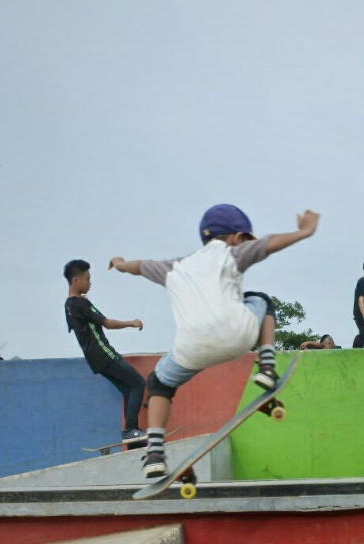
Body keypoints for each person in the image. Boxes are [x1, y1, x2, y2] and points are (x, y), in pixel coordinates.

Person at [110, 203, 320, 477]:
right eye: (244, 238)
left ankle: (154, 453)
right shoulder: (232, 254)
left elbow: (138, 266)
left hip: (192, 349)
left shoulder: (173, 267)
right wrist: (304, 231)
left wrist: (120, 264)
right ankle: (266, 367)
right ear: (235, 236)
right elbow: (269, 244)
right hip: (238, 336)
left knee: (159, 383)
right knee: (262, 301)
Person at [64, 259, 147, 447]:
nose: (90, 283)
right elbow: (106, 323)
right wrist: (131, 323)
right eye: (87, 279)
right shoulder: (81, 304)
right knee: (138, 383)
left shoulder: (69, 305)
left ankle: (131, 434)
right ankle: (130, 430)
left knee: (127, 388)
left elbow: (77, 325)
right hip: (103, 353)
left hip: (93, 359)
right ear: (76, 281)